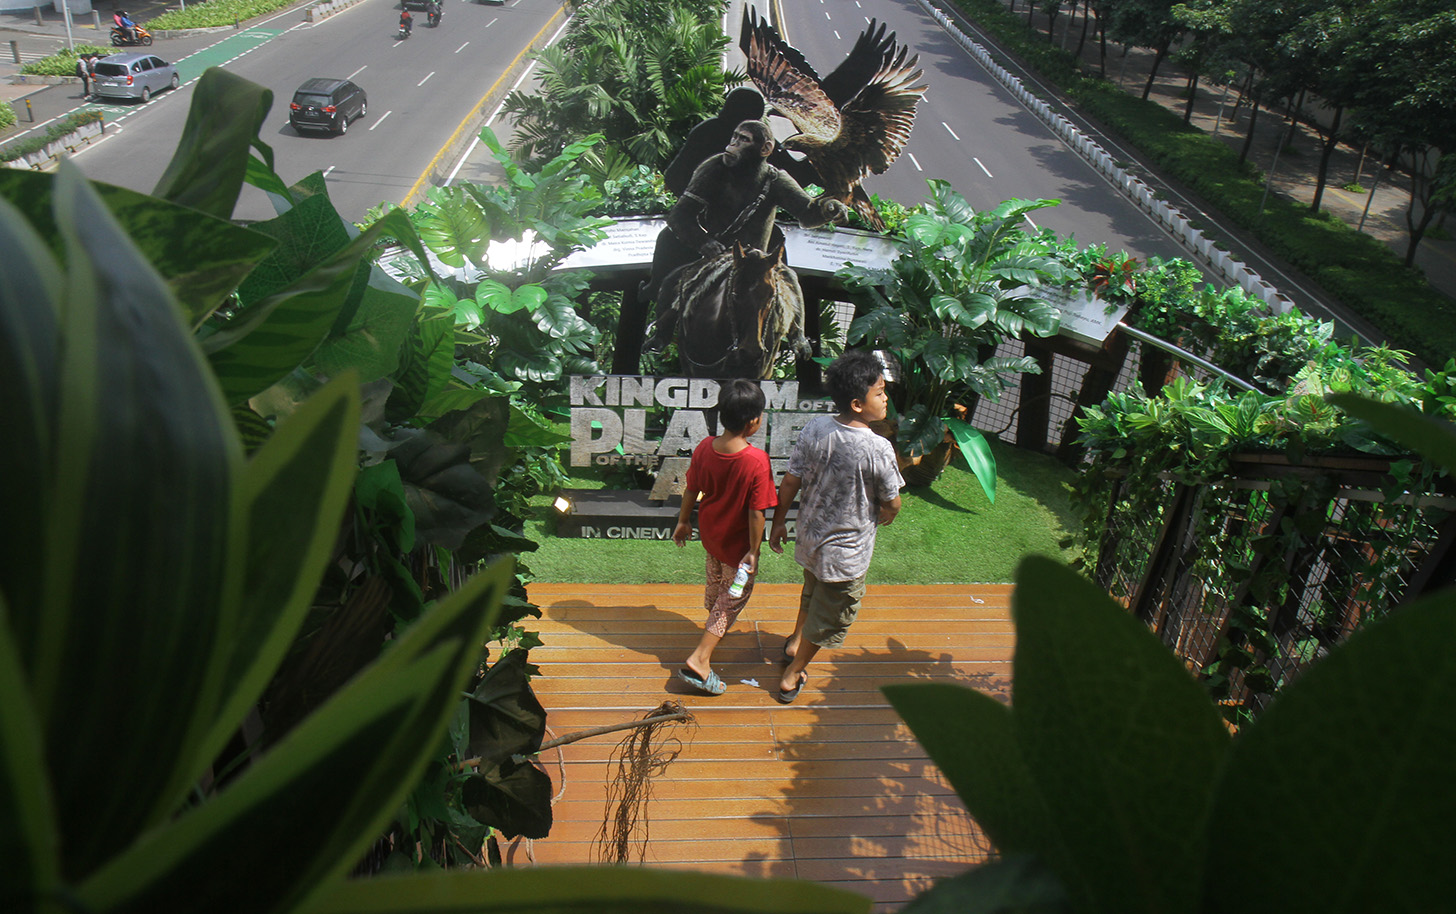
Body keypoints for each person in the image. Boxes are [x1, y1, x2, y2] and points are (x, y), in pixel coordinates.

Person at [640, 119, 847, 353]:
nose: (733, 144)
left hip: (756, 260)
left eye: (744, 140)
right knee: (670, 284)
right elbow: (679, 216)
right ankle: (662, 335)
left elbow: (807, 216)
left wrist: (829, 208)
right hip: (715, 256)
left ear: (765, 149)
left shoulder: (775, 179)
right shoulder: (714, 168)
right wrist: (704, 242)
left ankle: (797, 336)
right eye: (735, 136)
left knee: (790, 280)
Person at [768, 350, 904, 703]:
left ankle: (795, 640)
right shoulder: (879, 449)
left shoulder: (816, 427)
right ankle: (792, 673)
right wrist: (889, 511)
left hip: (811, 540)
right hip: (845, 556)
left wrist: (779, 521)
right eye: (879, 392)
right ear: (858, 404)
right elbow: (893, 501)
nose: (886, 397)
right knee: (831, 613)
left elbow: (791, 479)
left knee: (812, 590)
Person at [670, 379, 778, 696]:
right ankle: (700, 659)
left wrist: (682, 521)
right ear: (753, 421)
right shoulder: (756, 461)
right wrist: (754, 552)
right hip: (738, 551)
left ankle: (712, 626)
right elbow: (757, 513)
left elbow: (692, 487)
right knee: (732, 599)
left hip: (712, 538)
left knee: (716, 582)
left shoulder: (705, 447)